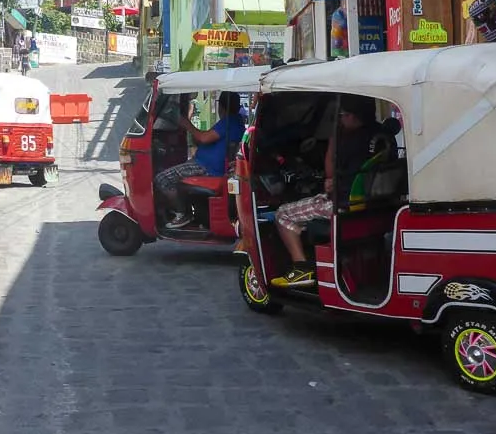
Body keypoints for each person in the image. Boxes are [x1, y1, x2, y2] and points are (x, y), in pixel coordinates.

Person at [271, 94, 379, 288]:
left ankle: (301, 268)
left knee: (283, 214)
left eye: (343, 115)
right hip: (374, 204)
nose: (341, 119)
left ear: (354, 116)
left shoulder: (350, 141)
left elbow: (330, 174)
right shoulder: (380, 136)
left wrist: (332, 141)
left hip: (343, 205)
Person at [154, 92, 245, 228]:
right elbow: (205, 138)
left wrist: (185, 122)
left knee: (162, 178)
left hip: (206, 167)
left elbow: (204, 138)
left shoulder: (229, 122)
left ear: (221, 107)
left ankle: (182, 213)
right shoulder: (236, 122)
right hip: (204, 163)